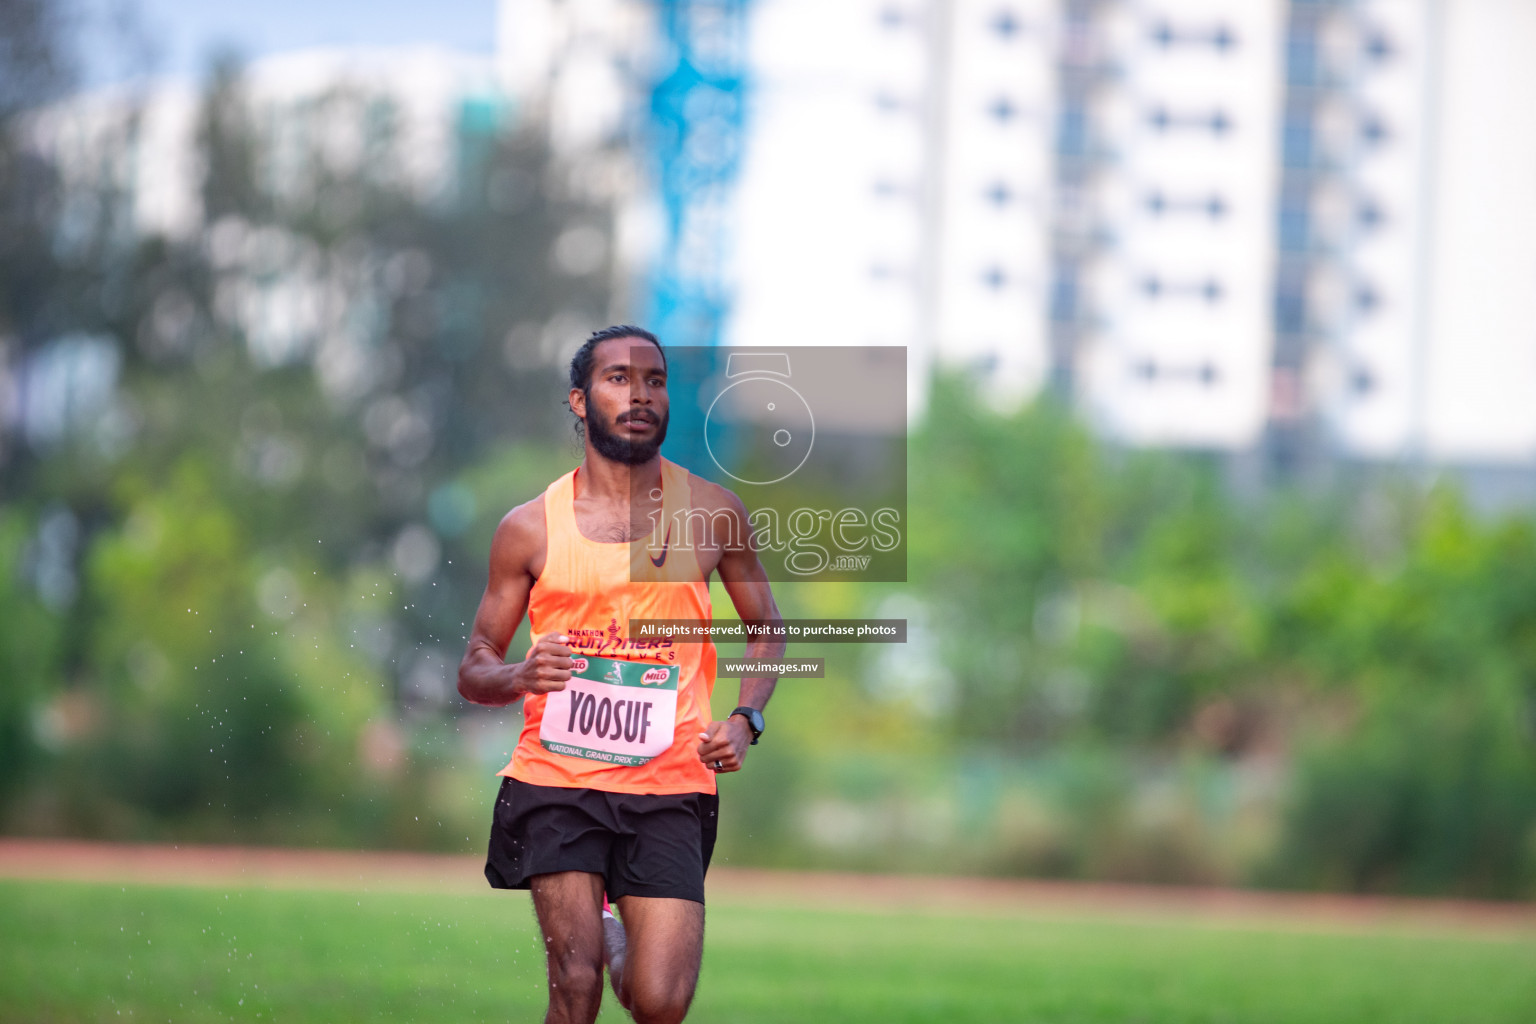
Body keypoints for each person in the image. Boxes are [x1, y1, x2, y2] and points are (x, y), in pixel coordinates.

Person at [458, 325, 784, 1024]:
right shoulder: (530, 528)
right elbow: (475, 668)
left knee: (660, 1003)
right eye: (617, 379)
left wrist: (745, 717)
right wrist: (520, 673)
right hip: (557, 782)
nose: (639, 394)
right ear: (579, 401)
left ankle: (615, 936)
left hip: (671, 783)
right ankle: (592, 942)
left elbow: (768, 631)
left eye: (655, 381)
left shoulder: (714, 516)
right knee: (574, 992)